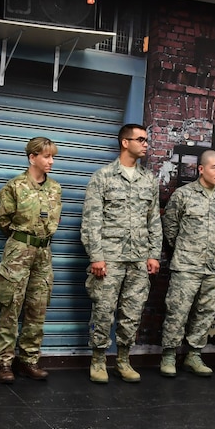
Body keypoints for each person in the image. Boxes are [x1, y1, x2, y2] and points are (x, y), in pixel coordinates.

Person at [81, 123, 162, 383]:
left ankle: (124, 360)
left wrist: (153, 254)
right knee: (103, 311)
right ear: (125, 143)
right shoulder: (102, 177)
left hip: (138, 259)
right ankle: (98, 360)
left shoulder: (149, 179)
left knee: (132, 312)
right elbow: (92, 220)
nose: (145, 144)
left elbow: (154, 221)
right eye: (140, 139)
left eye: (146, 140)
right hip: (110, 258)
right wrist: (96, 256)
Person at [0, 137, 62, 383]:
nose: (51, 161)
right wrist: (22, 240)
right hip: (19, 250)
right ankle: (4, 363)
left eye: (52, 156)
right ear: (32, 158)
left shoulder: (55, 189)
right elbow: (2, 220)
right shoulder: (14, 187)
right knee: (11, 306)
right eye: (46, 156)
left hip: (44, 253)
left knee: (37, 307)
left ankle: (28, 361)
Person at [160, 149, 215, 377]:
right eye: (214, 167)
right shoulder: (183, 195)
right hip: (186, 265)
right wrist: (184, 250)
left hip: (213, 267)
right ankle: (169, 355)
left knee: (206, 312)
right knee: (177, 312)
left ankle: (194, 355)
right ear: (201, 169)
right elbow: (170, 228)